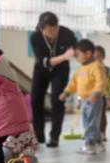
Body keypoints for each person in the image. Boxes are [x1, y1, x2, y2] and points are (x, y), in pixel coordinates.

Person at [30, 12, 76, 147]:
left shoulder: (66, 33)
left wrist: (72, 52)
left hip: (61, 70)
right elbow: (44, 61)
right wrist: (64, 56)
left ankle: (54, 137)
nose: (54, 32)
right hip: (41, 69)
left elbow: (75, 48)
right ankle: (39, 137)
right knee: (35, 101)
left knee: (57, 99)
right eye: (50, 30)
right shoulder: (35, 37)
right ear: (42, 28)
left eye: (56, 28)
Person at [59, 39, 107, 155]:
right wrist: (66, 92)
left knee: (91, 123)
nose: (76, 58)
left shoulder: (97, 66)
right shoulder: (80, 69)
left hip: (94, 100)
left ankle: (89, 144)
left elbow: (101, 81)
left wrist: (96, 93)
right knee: (88, 123)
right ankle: (98, 143)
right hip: (85, 101)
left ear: (88, 54)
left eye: (78, 55)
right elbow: (73, 83)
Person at [94, 45, 110, 141]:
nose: (96, 59)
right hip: (90, 96)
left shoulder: (108, 70)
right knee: (91, 116)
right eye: (94, 57)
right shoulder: (90, 69)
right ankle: (91, 133)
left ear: (103, 57)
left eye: (99, 56)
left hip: (102, 96)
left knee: (102, 116)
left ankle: (102, 132)